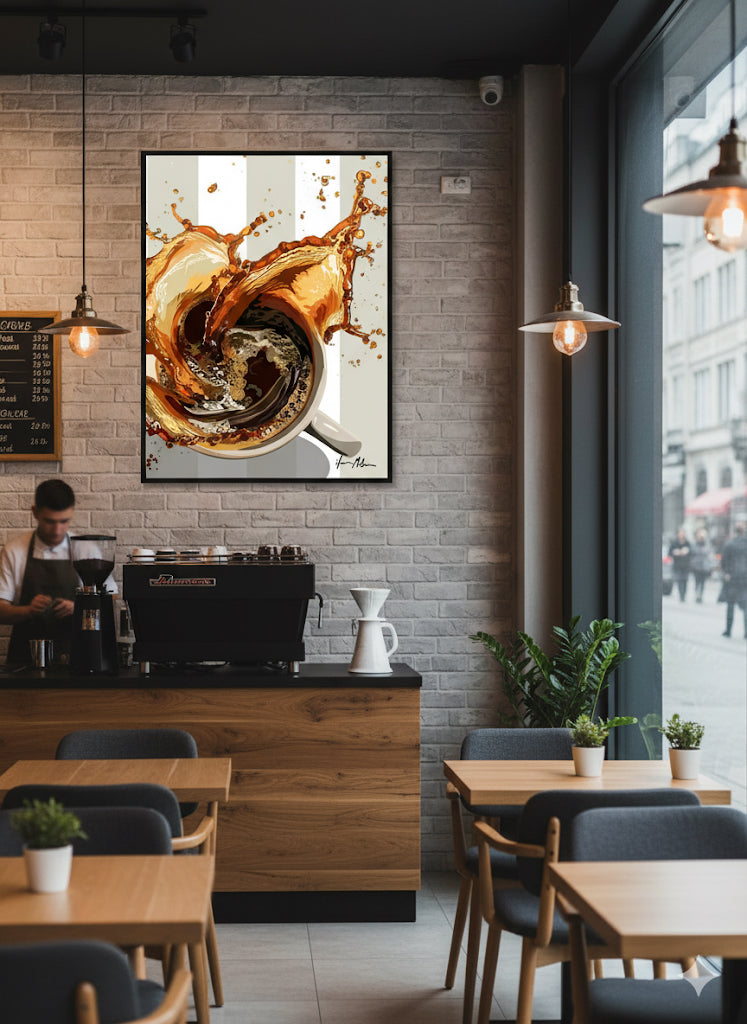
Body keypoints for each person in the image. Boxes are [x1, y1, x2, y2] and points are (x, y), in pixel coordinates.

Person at [0, 479, 114, 666]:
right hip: (25, 662)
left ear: (72, 514)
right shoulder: (14, 551)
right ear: (35, 512)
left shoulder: (86, 551)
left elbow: (111, 599)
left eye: (64, 521)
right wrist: (28, 610)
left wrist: (79, 608)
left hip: (77, 658)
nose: (57, 530)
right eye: (49, 521)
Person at [720, 521, 747, 639]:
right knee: (746, 606)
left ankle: (728, 630)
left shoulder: (729, 544)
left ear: (734, 531)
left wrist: (726, 573)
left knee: (730, 605)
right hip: (745, 578)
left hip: (732, 578)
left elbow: (723, 561)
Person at [668, 527, 692, 602]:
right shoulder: (674, 543)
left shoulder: (687, 543)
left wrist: (687, 551)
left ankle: (684, 595)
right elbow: (669, 553)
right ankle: (681, 595)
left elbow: (692, 552)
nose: (681, 535)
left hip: (686, 564)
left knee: (685, 580)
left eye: (683, 533)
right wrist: (675, 552)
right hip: (677, 564)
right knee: (679, 580)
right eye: (680, 533)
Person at [690, 527, 712, 603]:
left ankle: (700, 595)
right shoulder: (694, 544)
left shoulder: (707, 545)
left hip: (704, 566)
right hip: (696, 566)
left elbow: (709, 554)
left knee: (703, 582)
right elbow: (692, 553)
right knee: (697, 581)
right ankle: (696, 594)